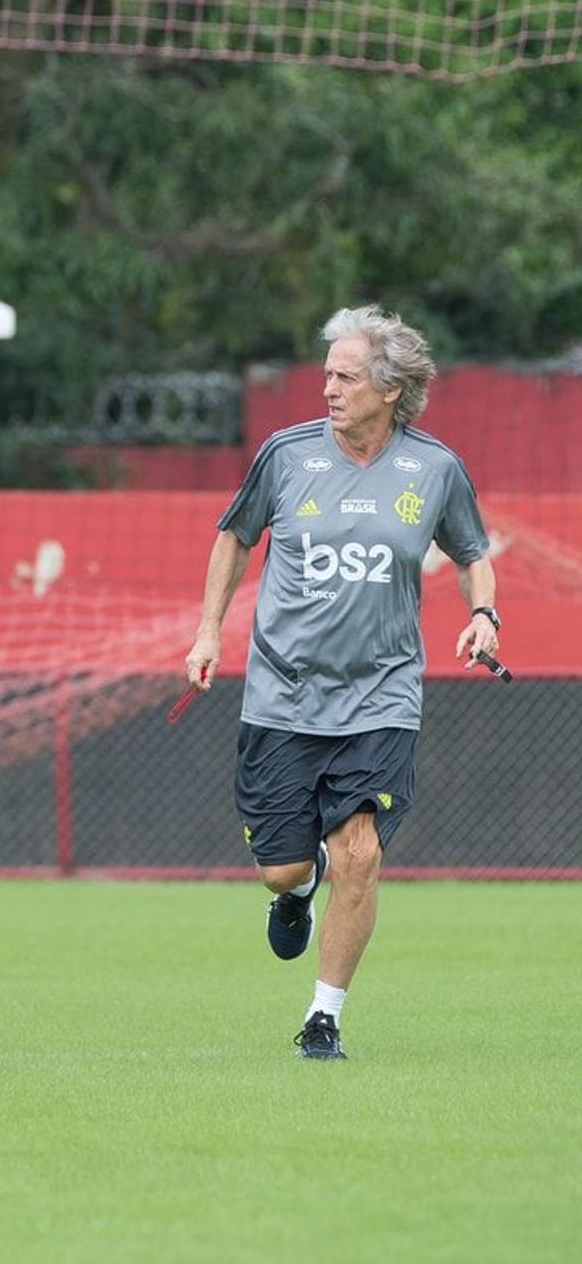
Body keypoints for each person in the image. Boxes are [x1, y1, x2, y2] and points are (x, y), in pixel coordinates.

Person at [184, 304, 497, 1061]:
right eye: (327, 374)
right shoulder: (286, 457)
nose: (327, 387)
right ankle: (298, 889)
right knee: (281, 867)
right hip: (283, 696)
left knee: (361, 850)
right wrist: (207, 631)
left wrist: (485, 613)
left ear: (390, 390)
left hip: (382, 695)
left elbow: (471, 550)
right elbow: (234, 536)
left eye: (345, 376)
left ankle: (324, 1017)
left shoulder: (435, 469)